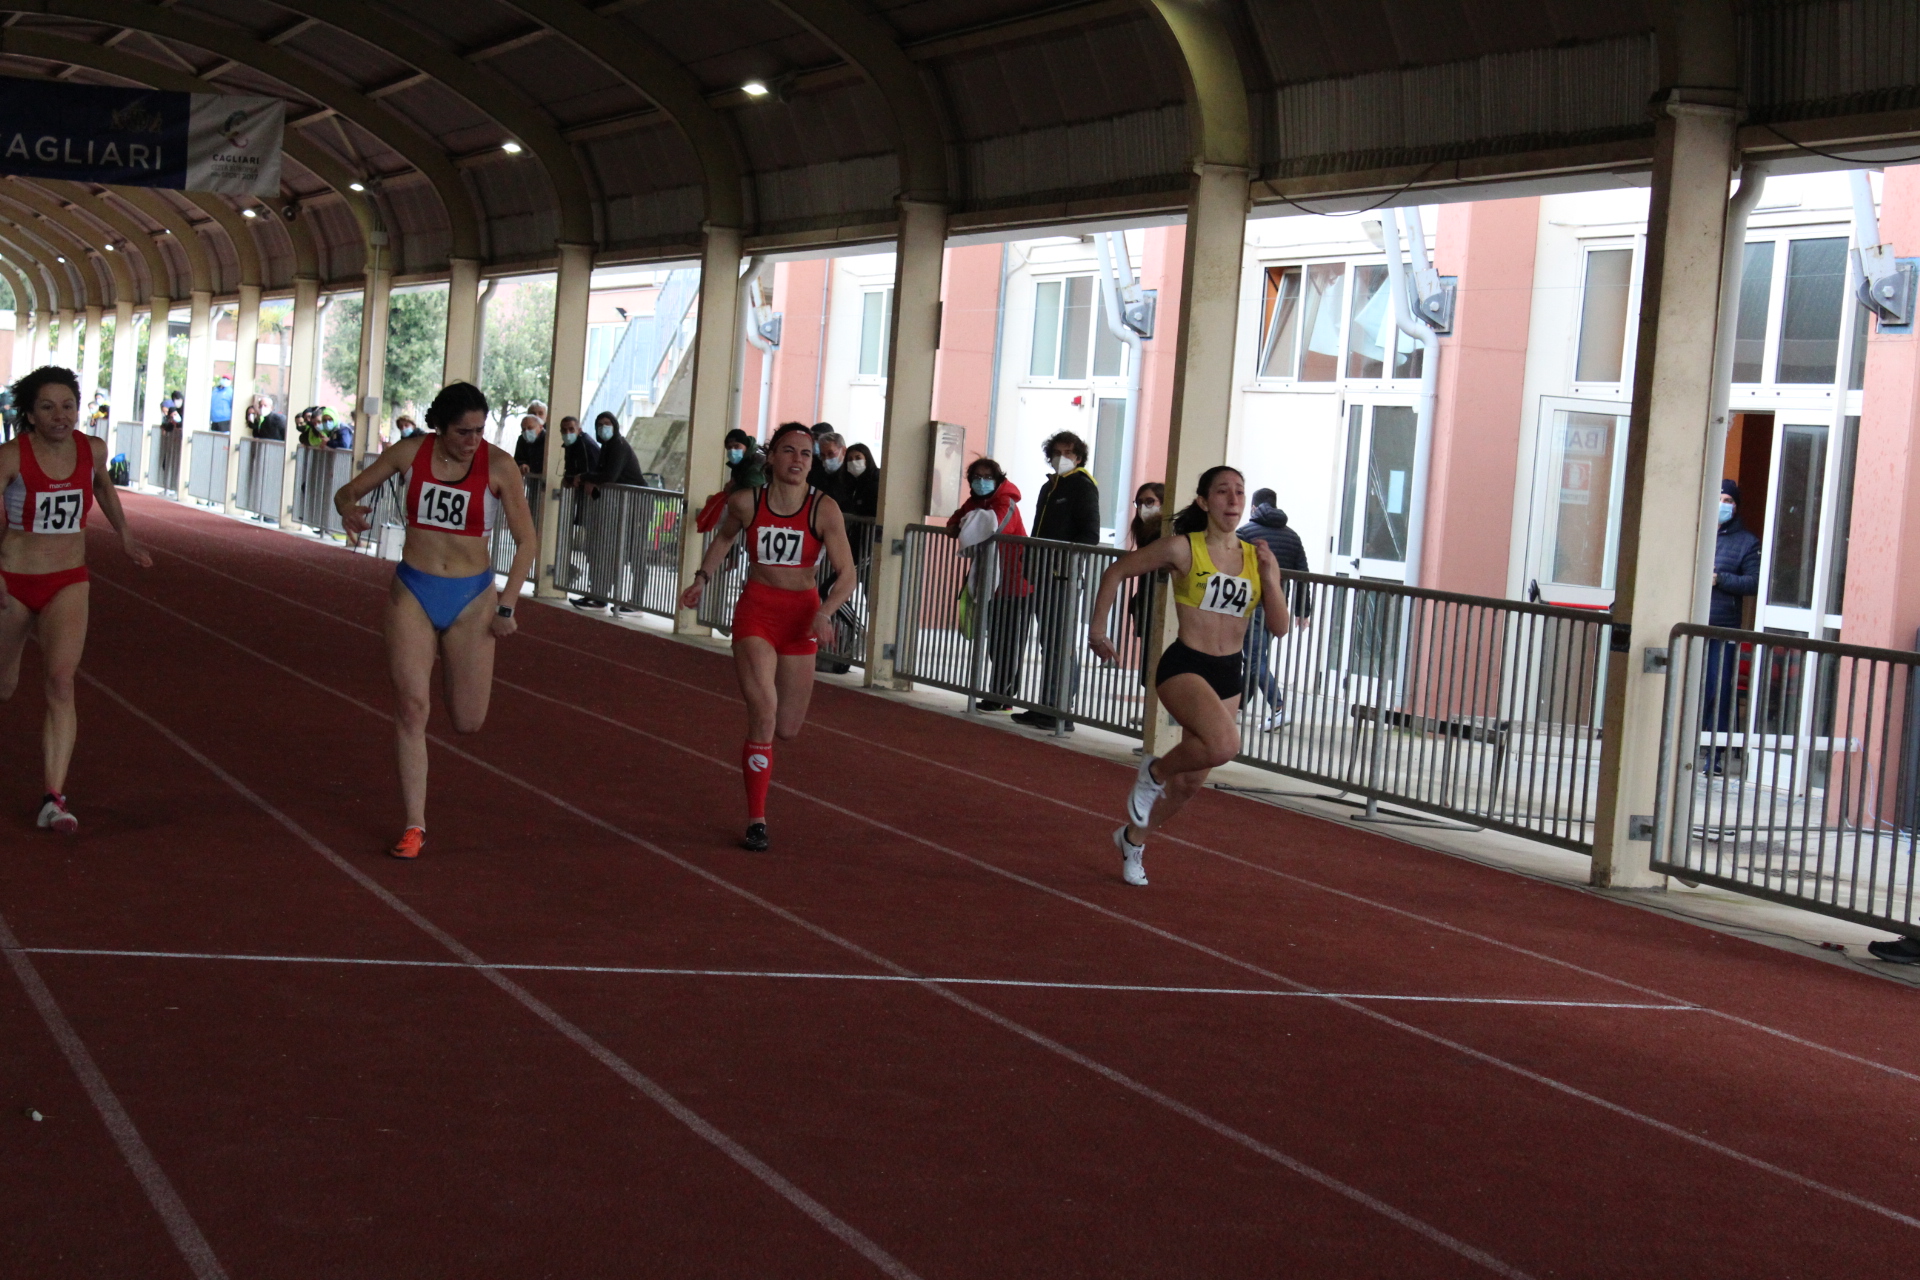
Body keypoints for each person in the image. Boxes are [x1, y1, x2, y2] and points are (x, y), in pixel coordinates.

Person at [333, 382, 538, 859]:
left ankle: (455, 665)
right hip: (413, 591)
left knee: (468, 721)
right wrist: (347, 510)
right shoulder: (410, 453)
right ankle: (414, 825)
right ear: (441, 428)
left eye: (479, 431)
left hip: (473, 600)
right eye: (463, 432)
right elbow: (348, 491)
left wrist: (507, 606)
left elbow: (527, 541)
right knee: (411, 708)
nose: (473, 440)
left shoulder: (499, 465)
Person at [1088, 465, 1289, 886]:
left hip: (1228, 673)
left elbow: (1280, 626)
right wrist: (1098, 629)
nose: (1233, 500)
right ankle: (1154, 772)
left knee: (1191, 782)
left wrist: (1271, 578)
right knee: (1225, 744)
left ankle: (1133, 839)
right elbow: (1116, 571)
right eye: (1222, 491)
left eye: (1240, 492)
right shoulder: (1183, 548)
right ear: (1203, 501)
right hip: (1185, 665)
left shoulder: (1256, 557)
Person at [680, 421, 857, 852]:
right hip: (757, 612)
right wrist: (702, 578)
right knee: (763, 711)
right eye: (789, 451)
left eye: (806, 454)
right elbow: (724, 539)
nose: (798, 460)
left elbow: (847, 573)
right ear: (772, 456)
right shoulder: (747, 502)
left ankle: (762, 763)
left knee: (787, 728)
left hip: (802, 618)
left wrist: (825, 612)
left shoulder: (824, 509)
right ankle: (756, 820)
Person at [0, 365, 153, 833]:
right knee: (4, 686)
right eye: (48, 407)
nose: (60, 415)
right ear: (30, 414)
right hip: (13, 580)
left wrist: (125, 536)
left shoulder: (93, 449)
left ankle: (53, 798)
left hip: (68, 579)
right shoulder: (11, 455)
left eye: (68, 406)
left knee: (61, 683)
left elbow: (102, 484)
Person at [1014, 430, 1101, 732]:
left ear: (1079, 458)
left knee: (1059, 644)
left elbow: (1090, 534)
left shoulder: (1083, 486)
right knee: (1049, 642)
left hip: (1062, 576)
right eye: (1056, 453)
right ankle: (1048, 704)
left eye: (1068, 453)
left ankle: (1060, 708)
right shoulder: (1049, 486)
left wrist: (1063, 561)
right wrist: (1031, 560)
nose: (1061, 458)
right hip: (1042, 572)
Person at [946, 457, 1030, 712]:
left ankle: (1001, 695)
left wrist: (970, 521)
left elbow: (996, 526)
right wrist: (969, 520)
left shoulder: (1007, 501)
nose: (981, 482)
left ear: (998, 479)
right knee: (995, 639)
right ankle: (1000, 693)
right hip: (991, 584)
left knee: (1007, 641)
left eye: (987, 477)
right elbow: (954, 522)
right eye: (976, 478)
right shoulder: (975, 502)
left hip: (1015, 583)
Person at [1235, 487, 1313, 731]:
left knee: (1255, 659)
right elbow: (1303, 575)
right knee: (1254, 658)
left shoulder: (1245, 533)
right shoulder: (1293, 537)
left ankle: (1278, 707)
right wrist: (1303, 611)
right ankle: (1237, 707)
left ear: (1254, 508)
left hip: (1251, 605)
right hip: (1276, 607)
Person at [1702, 477, 1760, 775]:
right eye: (1719, 499)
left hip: (1722, 629)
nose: (1723, 505)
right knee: (1690, 688)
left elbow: (1753, 583)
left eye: (1728, 501)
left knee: (1719, 691)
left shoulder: (1747, 542)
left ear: (1736, 507)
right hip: (1691, 625)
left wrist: (1720, 579)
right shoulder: (1697, 532)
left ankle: (1714, 756)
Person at [573, 411, 648, 615]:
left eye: (607, 424)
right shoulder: (607, 447)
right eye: (599, 425)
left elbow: (609, 475)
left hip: (637, 505)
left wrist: (585, 477)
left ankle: (636, 602)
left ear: (615, 426)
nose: (603, 428)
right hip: (622, 505)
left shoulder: (618, 446)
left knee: (635, 553)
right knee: (607, 550)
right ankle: (600, 596)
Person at [839, 443, 879, 519]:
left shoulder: (876, 480)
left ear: (867, 459)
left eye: (858, 458)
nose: (853, 462)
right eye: (850, 459)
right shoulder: (848, 482)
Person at [808, 430, 850, 503]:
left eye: (830, 453)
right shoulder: (817, 475)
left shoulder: (850, 477)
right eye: (822, 455)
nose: (826, 459)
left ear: (844, 451)